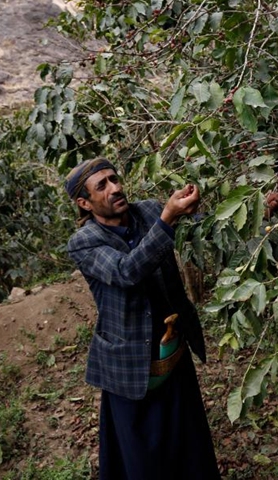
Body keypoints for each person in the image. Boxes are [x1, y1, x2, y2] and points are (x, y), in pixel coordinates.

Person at [64, 157, 220, 479]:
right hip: (129, 365)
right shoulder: (84, 242)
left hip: (172, 351)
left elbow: (203, 233)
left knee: (189, 444)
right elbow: (127, 271)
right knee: (143, 458)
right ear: (85, 203)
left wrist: (261, 217)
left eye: (114, 179)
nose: (116, 188)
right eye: (102, 186)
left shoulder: (148, 211)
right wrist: (168, 219)